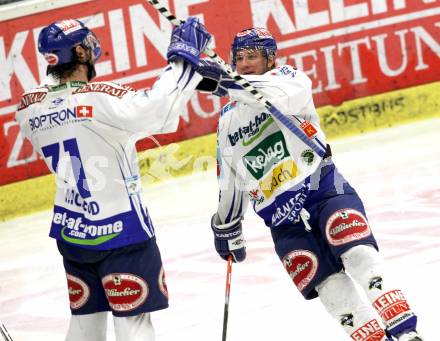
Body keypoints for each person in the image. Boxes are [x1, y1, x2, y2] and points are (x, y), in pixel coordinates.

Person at [195, 28, 423, 341]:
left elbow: (261, 92)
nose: (244, 63)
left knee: (359, 255)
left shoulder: (289, 80)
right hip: (281, 221)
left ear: (271, 58)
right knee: (330, 289)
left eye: (252, 56)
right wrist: (226, 224)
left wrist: (218, 79)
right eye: (239, 58)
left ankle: (407, 333)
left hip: (323, 190)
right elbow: (232, 179)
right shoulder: (227, 121)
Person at [15, 17, 210, 341]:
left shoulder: (29, 108)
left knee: (85, 322)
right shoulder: (99, 100)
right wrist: (182, 60)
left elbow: (56, 97)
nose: (93, 50)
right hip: (123, 234)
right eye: (87, 45)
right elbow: (156, 110)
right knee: (133, 323)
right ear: (79, 51)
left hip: (73, 233)